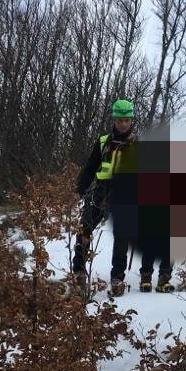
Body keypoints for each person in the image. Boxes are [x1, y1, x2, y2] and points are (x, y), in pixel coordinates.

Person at [72, 99, 138, 296]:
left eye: (126, 120)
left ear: (131, 120)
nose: (123, 124)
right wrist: (79, 190)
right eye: (120, 120)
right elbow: (90, 168)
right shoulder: (103, 142)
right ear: (114, 119)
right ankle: (78, 271)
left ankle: (117, 278)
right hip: (101, 190)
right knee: (84, 228)